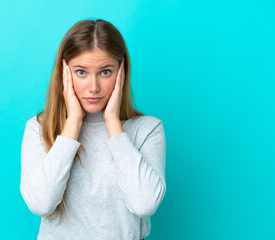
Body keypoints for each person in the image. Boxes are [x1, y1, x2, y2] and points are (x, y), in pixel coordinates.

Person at [20, 19, 166, 240]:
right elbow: (40, 204)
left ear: (121, 72)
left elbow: (144, 204)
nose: (94, 87)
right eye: (81, 72)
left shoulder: (147, 129)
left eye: (105, 72)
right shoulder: (39, 128)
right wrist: (73, 122)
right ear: (64, 72)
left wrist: (113, 124)